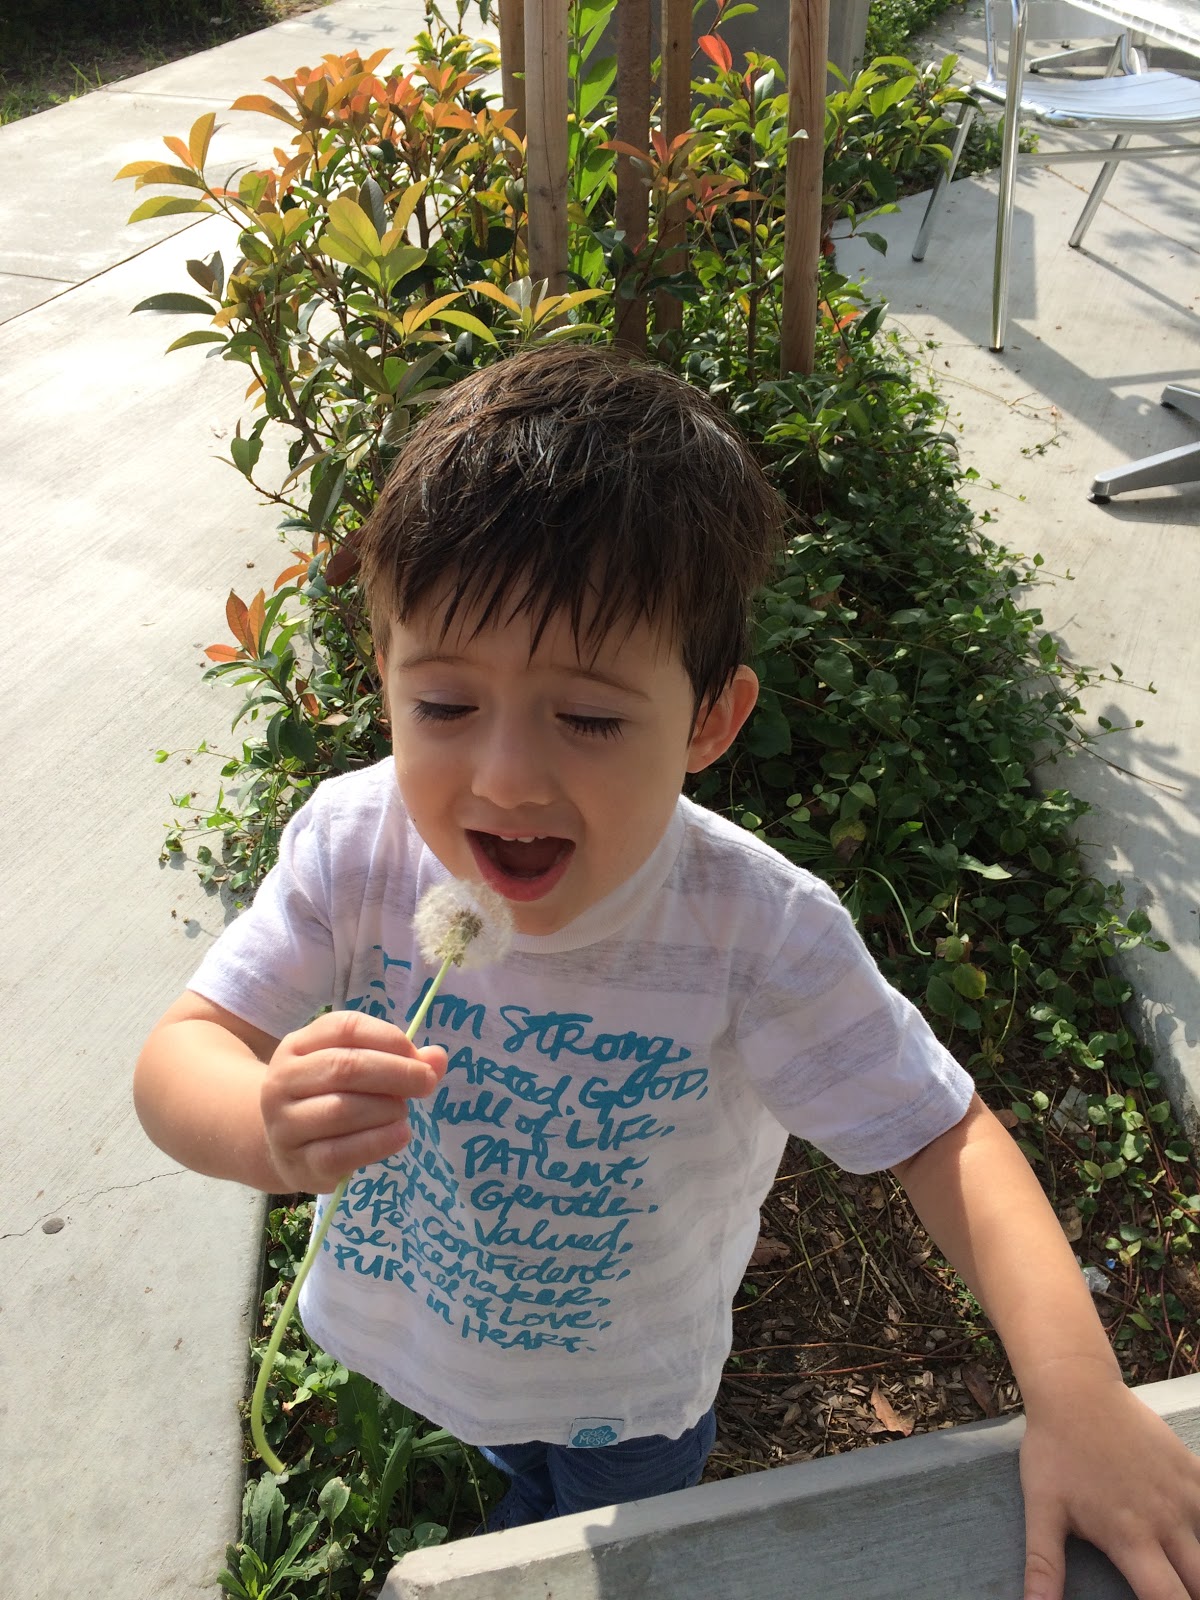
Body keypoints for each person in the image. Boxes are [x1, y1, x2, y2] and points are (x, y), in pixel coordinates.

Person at [135, 344, 1200, 1598]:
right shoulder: (354, 845)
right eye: (445, 706)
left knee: (598, 1540)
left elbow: (942, 1136)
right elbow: (181, 1055)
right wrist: (260, 1123)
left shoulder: (755, 933)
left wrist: (1078, 1393)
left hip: (626, 1404)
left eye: (588, 718)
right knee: (505, 1494)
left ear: (709, 720)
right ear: (386, 679)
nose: (505, 780)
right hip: (420, 1334)